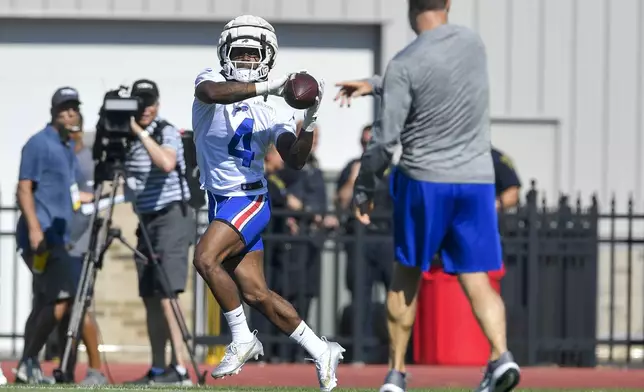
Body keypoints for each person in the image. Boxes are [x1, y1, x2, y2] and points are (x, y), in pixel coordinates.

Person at [334, 1, 521, 392]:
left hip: (425, 181)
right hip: (475, 181)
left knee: (406, 275)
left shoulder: (405, 62)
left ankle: (396, 374)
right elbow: (439, 75)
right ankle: (501, 356)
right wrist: (378, 81)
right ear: (448, 3)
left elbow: (385, 142)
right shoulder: (473, 44)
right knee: (476, 277)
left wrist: (364, 188)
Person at [191, 14, 345, 392]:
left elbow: (294, 159)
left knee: (205, 259)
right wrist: (270, 85)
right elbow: (210, 94)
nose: (244, 60)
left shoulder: (272, 109)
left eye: (251, 53)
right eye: (239, 53)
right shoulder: (210, 80)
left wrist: (307, 122)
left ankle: (242, 338)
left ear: (266, 56)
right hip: (220, 200)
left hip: (247, 199)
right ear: (226, 53)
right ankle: (320, 349)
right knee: (256, 293)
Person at [14, 87, 93, 384]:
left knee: (45, 301)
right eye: (65, 108)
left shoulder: (65, 146)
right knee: (62, 297)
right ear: (54, 112)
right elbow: (24, 188)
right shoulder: (39, 143)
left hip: (59, 237)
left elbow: (71, 194)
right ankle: (28, 361)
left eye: (74, 107)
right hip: (43, 237)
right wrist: (35, 230)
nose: (71, 113)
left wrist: (97, 196)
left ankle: (28, 365)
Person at [122, 80, 195, 386]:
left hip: (171, 216)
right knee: (151, 296)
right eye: (140, 102)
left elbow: (166, 163)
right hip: (146, 219)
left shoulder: (165, 131)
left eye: (150, 101)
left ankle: (179, 370)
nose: (146, 107)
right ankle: (156, 369)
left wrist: (139, 132)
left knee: (168, 294)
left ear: (158, 104)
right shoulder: (122, 136)